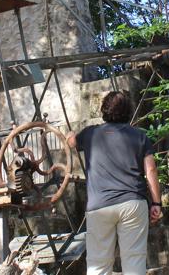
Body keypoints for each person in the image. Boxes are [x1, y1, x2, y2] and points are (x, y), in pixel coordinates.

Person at [67, 91, 163, 275]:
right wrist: (156, 202)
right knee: (134, 261)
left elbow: (71, 142)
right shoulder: (140, 136)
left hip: (99, 206)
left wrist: (70, 134)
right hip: (133, 203)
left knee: (98, 265)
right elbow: (150, 170)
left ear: (104, 110)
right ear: (128, 111)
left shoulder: (90, 134)